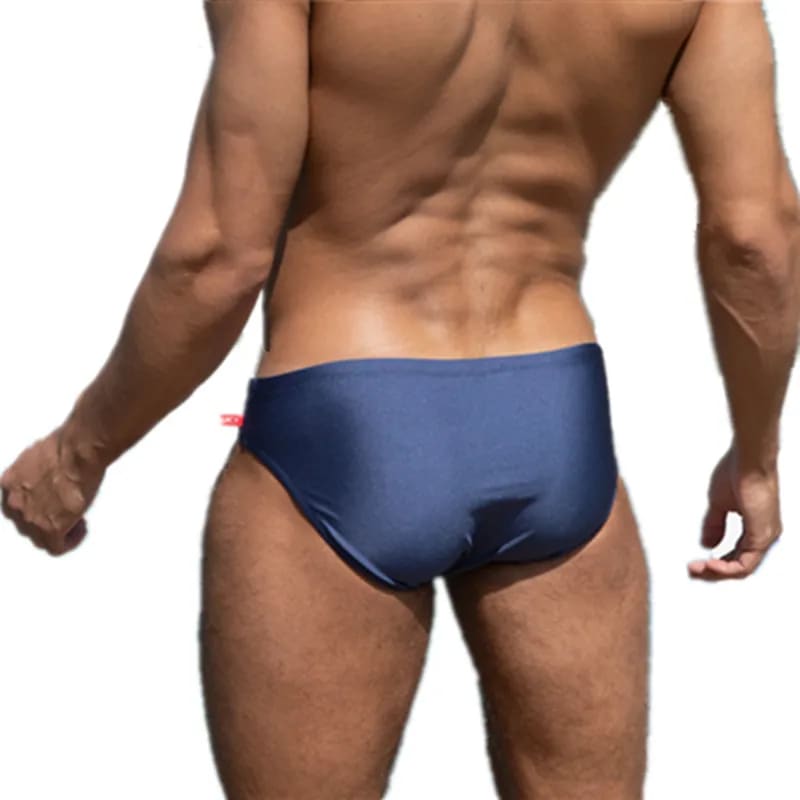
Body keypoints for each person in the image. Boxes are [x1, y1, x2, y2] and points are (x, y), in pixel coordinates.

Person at [2, 1, 798, 797]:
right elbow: (757, 236)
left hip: (345, 418)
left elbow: (219, 255)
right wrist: (757, 456)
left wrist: (78, 454)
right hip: (555, 416)